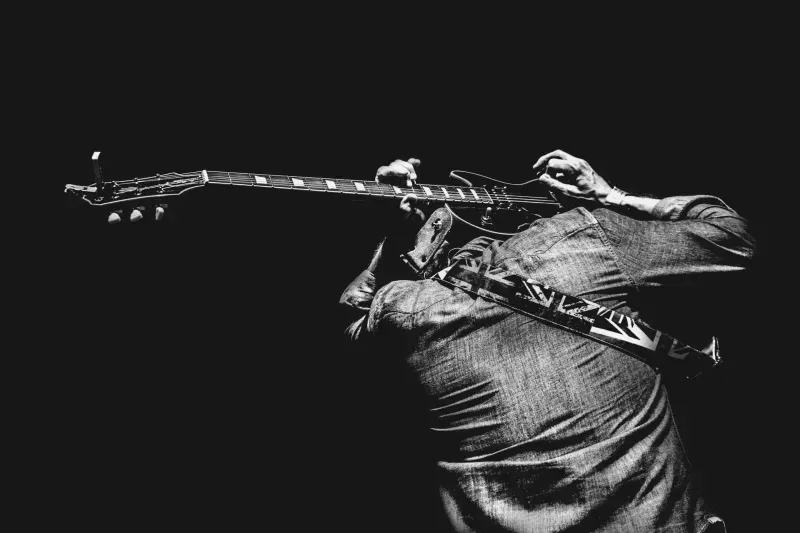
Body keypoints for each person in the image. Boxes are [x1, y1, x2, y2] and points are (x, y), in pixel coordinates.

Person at [339, 150, 755, 532]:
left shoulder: (405, 309)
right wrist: (610, 195)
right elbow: (732, 235)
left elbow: (352, 319)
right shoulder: (582, 237)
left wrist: (391, 236)